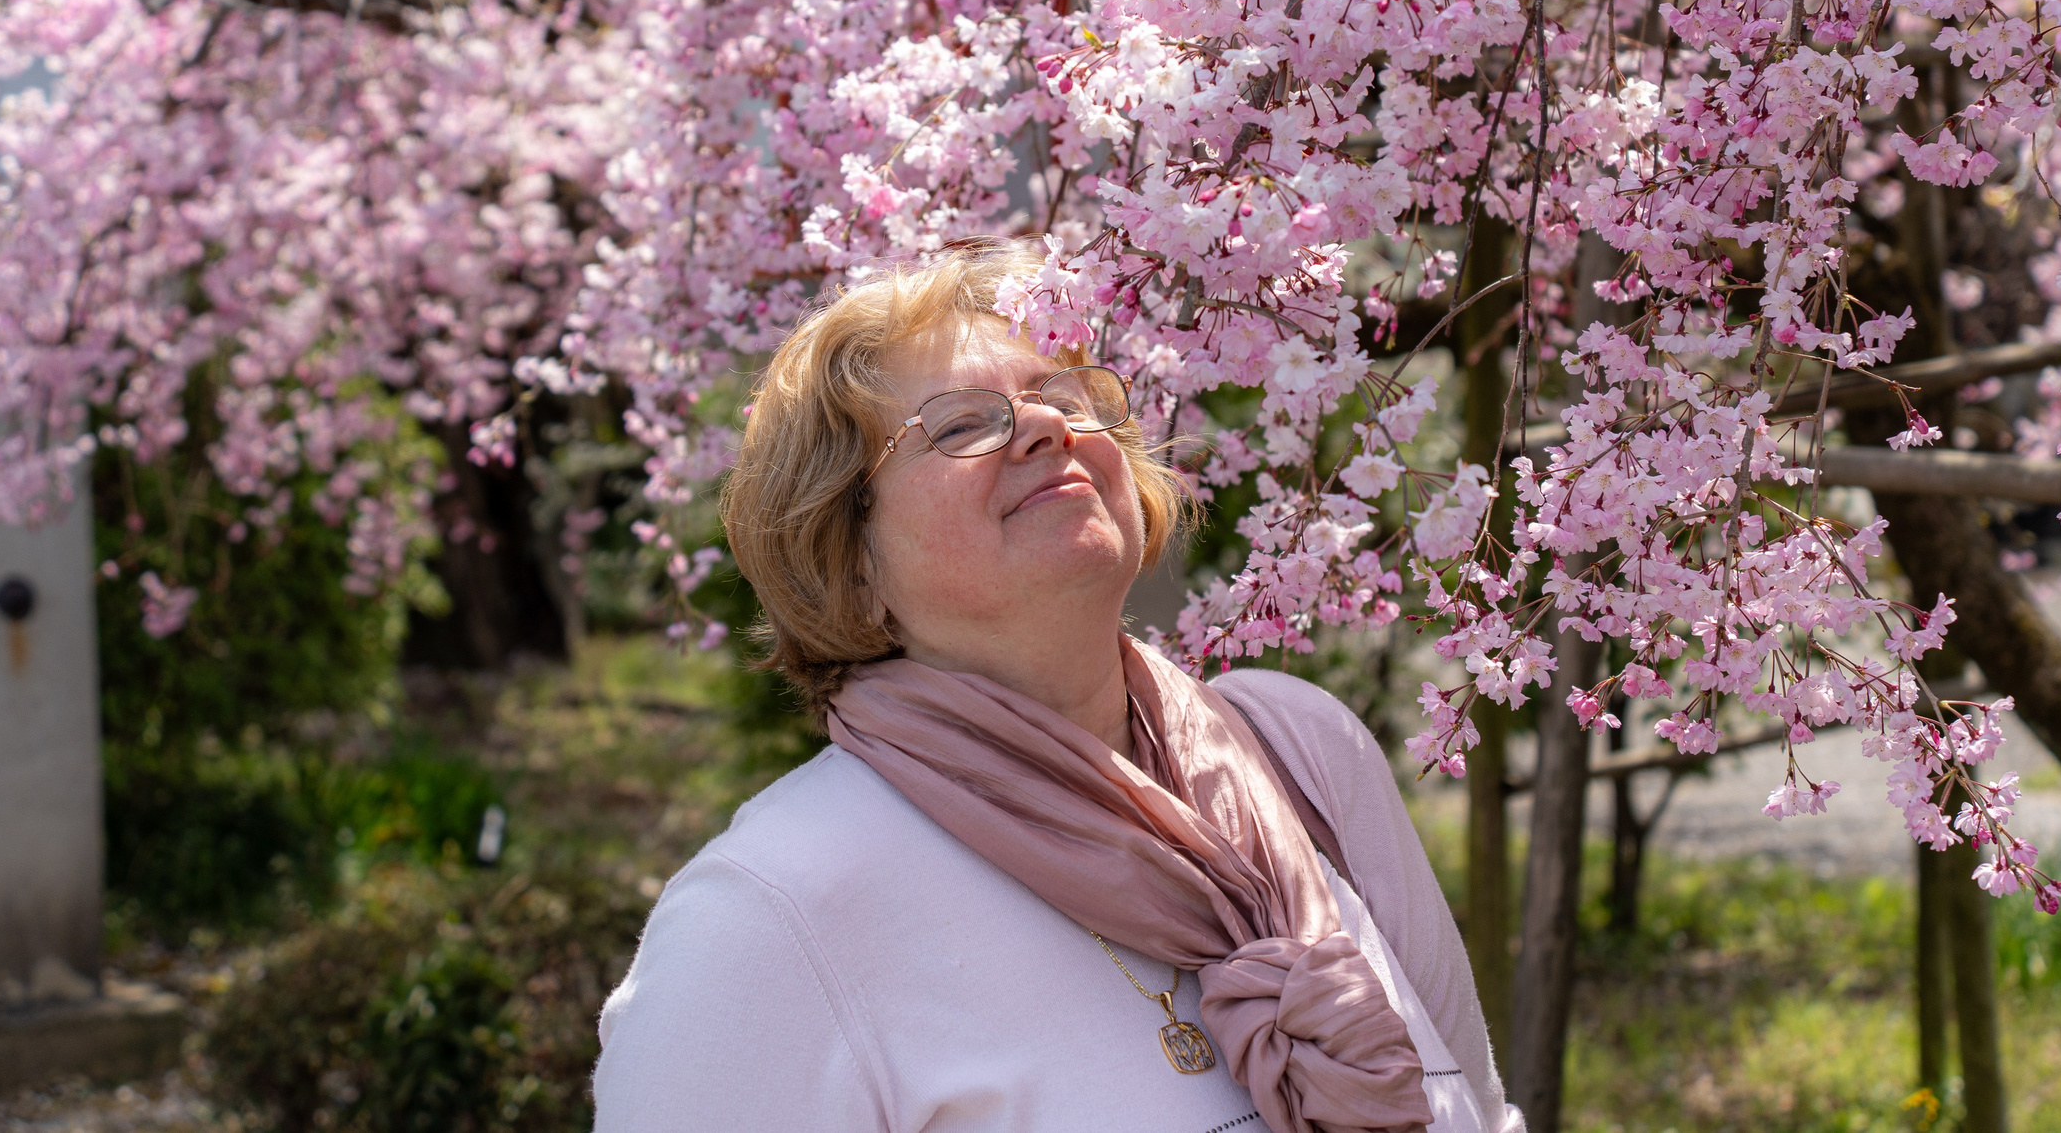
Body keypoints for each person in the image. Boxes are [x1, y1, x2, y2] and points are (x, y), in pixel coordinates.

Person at [594, 245, 1522, 1133]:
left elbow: (1482, 1114)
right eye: (960, 424)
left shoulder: (1301, 754)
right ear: (850, 562)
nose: (1046, 427)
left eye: (1066, 399)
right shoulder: (768, 915)